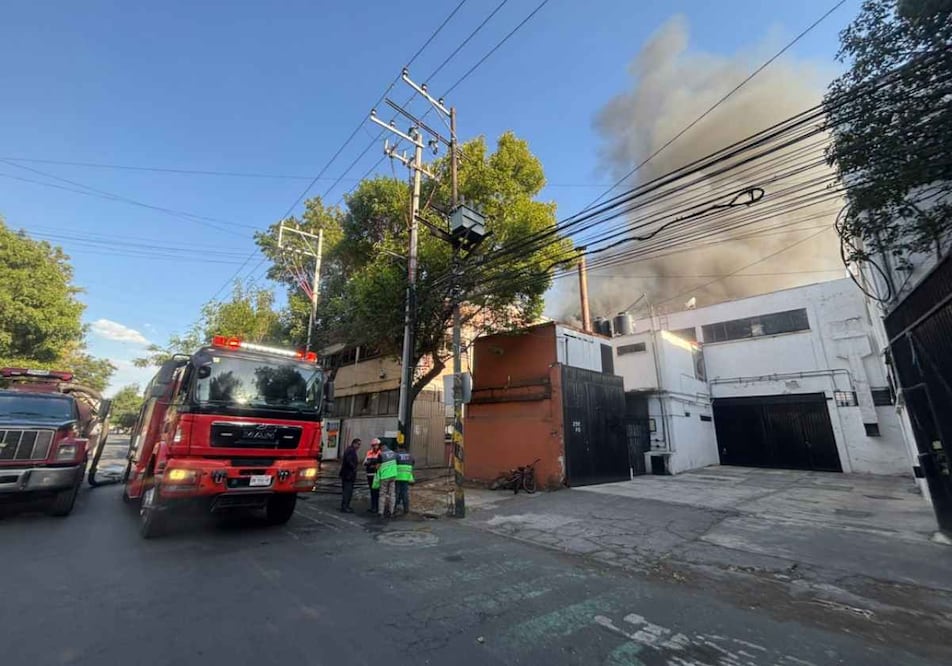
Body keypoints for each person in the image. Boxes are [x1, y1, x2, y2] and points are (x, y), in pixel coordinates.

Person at [375, 441, 399, 518]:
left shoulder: (381, 455)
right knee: (392, 494)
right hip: (393, 476)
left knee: (382, 494)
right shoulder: (394, 453)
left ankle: (381, 512)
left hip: (385, 477)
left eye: (380, 448)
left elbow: (377, 467)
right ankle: (391, 512)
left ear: (382, 447)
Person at [338, 438, 361, 513]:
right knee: (347, 491)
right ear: (354, 443)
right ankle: (345, 507)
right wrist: (354, 467)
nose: (359, 446)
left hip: (348, 474)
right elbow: (348, 461)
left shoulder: (350, 450)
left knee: (348, 491)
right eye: (358, 444)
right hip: (348, 474)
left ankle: (346, 506)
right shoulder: (351, 450)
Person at [394, 443, 415, 516]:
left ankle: (394, 508)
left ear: (398, 448)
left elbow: (393, 465)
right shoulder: (410, 456)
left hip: (398, 477)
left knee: (396, 492)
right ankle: (406, 509)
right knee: (405, 493)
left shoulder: (396, 456)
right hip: (406, 477)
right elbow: (412, 464)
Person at [363, 438, 382, 513]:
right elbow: (365, 463)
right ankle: (373, 507)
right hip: (369, 475)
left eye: (376, 445)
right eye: (373, 445)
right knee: (372, 491)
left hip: (377, 475)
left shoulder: (380, 453)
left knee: (377, 491)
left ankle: (377, 507)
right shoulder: (369, 453)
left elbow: (380, 464)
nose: (374, 447)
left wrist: (371, 463)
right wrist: (372, 463)